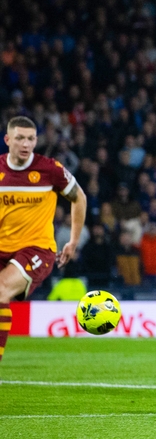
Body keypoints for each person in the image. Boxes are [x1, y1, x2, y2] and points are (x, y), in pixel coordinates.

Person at [0, 116, 87, 363]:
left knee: (0, 290)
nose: (26, 144)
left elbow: (78, 197)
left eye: (30, 138)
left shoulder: (50, 169)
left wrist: (73, 240)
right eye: (20, 138)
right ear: (8, 140)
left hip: (37, 250)